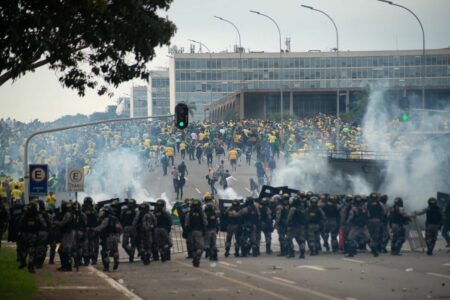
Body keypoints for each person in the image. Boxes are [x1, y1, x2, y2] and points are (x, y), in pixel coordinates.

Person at [18, 202, 46, 273]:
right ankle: (30, 266)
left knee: (23, 250)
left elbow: (20, 223)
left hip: (24, 235)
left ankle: (23, 262)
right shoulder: (37, 216)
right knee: (32, 251)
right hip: (33, 235)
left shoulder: (25, 215)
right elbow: (43, 224)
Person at [95, 206, 122, 272]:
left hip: (108, 237)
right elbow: (119, 228)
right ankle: (117, 261)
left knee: (105, 252)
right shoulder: (115, 219)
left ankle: (106, 267)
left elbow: (101, 227)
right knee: (115, 250)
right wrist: (118, 236)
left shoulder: (106, 219)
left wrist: (94, 230)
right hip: (115, 236)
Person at [185, 199, 207, 267]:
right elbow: (205, 222)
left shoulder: (189, 214)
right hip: (199, 232)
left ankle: (194, 257)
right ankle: (197, 257)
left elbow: (186, 224)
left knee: (193, 247)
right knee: (200, 247)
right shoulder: (202, 213)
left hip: (191, 233)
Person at [54, 201, 75, 272]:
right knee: (61, 250)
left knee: (66, 250)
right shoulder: (64, 213)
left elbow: (63, 223)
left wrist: (55, 222)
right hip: (63, 234)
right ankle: (64, 266)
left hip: (68, 233)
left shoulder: (68, 214)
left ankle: (68, 267)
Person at [82, 197, 99, 265]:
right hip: (92, 229)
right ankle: (93, 260)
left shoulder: (82, 210)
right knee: (93, 246)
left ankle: (87, 260)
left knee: (87, 246)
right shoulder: (94, 210)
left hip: (87, 229)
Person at [204, 196, 219, 261]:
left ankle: (209, 254)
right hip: (214, 227)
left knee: (207, 242)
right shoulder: (214, 207)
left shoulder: (204, 207)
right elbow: (218, 216)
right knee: (213, 242)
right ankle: (214, 255)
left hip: (207, 228)